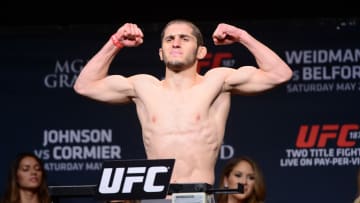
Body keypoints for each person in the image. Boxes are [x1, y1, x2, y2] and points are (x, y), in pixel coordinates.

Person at [73, 19, 293, 187]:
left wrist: (242, 36)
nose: (175, 43)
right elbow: (85, 85)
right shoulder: (143, 87)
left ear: (201, 52)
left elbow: (279, 74)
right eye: (169, 39)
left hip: (197, 194)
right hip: (156, 196)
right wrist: (115, 42)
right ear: (160, 53)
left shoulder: (218, 82)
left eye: (184, 38)